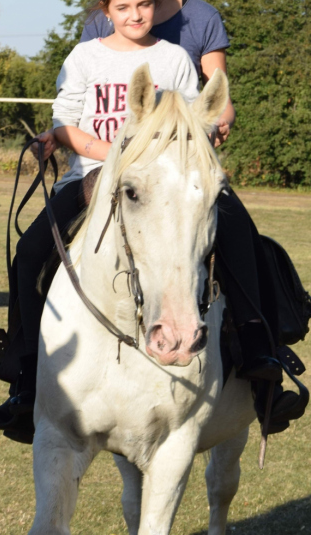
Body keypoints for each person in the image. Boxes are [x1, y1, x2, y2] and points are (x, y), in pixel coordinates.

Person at [0, 0, 209, 436]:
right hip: (91, 176)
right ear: (105, 10)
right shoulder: (85, 57)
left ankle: (257, 350)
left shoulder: (174, 59)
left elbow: (193, 122)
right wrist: (122, 155)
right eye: (123, 6)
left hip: (163, 180)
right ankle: (25, 379)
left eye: (143, 5)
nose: (135, 14)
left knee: (229, 230)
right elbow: (64, 125)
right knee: (28, 255)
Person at [80, 0, 307, 433]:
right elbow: (90, 96)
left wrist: (221, 116)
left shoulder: (201, 17)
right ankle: (26, 372)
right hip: (117, 166)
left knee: (241, 233)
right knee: (37, 243)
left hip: (184, 160)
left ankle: (263, 358)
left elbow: (217, 86)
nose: (133, 12)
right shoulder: (100, 20)